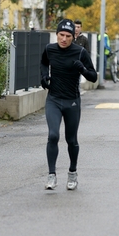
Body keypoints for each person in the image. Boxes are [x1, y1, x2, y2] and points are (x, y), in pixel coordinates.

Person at [40, 19, 97, 190]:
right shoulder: (50, 49)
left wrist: (83, 70)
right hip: (54, 100)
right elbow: (44, 62)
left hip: (72, 101)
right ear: (56, 34)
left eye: (68, 36)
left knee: (71, 140)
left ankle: (72, 173)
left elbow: (93, 77)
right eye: (61, 35)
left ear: (74, 36)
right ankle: (52, 175)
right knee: (53, 136)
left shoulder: (80, 52)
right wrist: (43, 76)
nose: (63, 39)